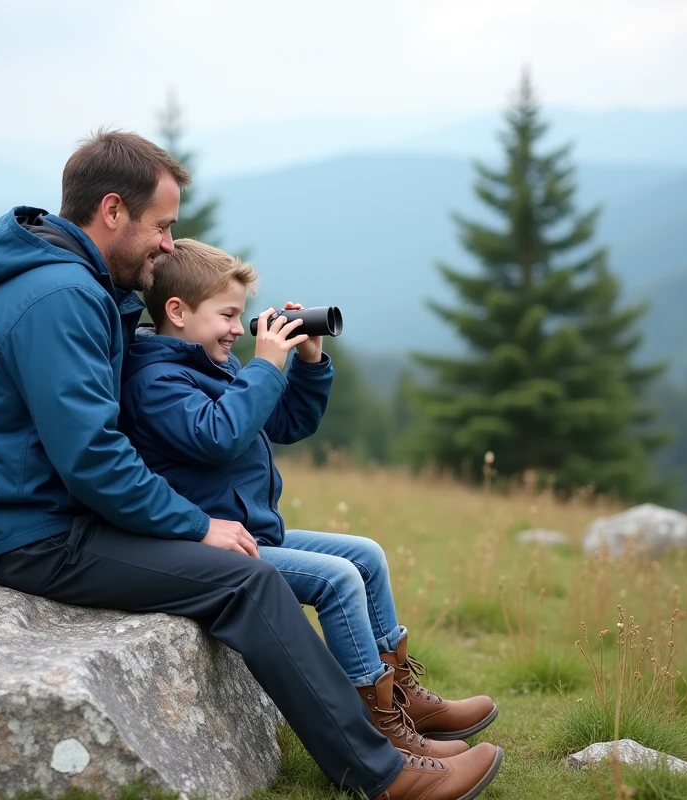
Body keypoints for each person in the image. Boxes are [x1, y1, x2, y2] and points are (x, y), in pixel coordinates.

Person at [0, 129, 502, 800]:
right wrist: (194, 525)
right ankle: (382, 775)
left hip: (49, 514)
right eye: (162, 225)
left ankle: (391, 730)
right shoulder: (60, 298)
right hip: (36, 535)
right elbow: (90, 455)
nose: (169, 244)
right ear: (112, 211)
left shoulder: (76, 286)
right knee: (250, 582)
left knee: (292, 567)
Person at [118, 239, 499, 761]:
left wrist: (308, 363)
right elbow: (218, 435)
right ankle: (380, 729)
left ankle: (402, 696)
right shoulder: (155, 380)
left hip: (253, 531)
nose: (238, 328)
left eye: (242, 315)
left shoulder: (216, 365)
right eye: (227, 315)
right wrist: (266, 366)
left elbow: (288, 422)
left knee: (364, 555)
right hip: (209, 544)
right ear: (177, 312)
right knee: (336, 580)